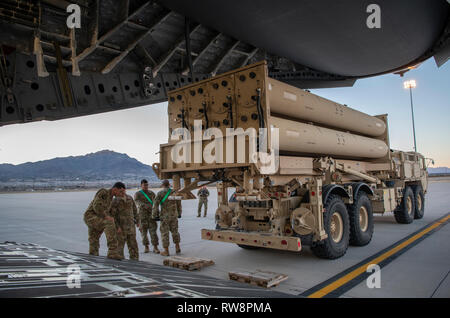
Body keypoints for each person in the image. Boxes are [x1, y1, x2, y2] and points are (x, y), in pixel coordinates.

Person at [83, 182, 125, 260]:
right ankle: (112, 252)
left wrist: (117, 226)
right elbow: (96, 206)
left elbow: (111, 214)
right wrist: (105, 216)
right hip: (90, 216)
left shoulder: (111, 199)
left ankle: (93, 256)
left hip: (97, 218)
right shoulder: (104, 192)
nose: (122, 194)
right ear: (115, 189)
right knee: (108, 223)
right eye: (121, 192)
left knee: (94, 239)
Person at [152, 179, 182, 256]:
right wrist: (179, 213)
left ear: (162, 185)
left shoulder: (160, 193)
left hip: (164, 217)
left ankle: (166, 251)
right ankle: (177, 247)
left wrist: (155, 215)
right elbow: (179, 203)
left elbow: (155, 205)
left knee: (165, 233)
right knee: (175, 231)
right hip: (174, 216)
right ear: (169, 184)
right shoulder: (174, 193)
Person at [111, 192, 140, 260]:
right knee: (120, 246)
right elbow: (113, 215)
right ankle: (120, 262)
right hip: (121, 227)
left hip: (131, 226)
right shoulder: (115, 201)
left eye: (123, 189)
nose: (123, 191)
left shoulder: (129, 198)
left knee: (133, 245)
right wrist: (117, 226)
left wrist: (138, 221)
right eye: (121, 190)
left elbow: (135, 210)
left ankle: (135, 260)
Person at [134, 179, 160, 254]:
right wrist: (146, 206)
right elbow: (137, 202)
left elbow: (155, 202)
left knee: (153, 233)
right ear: (141, 185)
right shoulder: (138, 194)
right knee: (143, 233)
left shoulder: (151, 193)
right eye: (144, 185)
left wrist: (156, 212)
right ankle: (146, 247)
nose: (146, 186)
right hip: (142, 216)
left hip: (151, 216)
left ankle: (155, 247)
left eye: (147, 185)